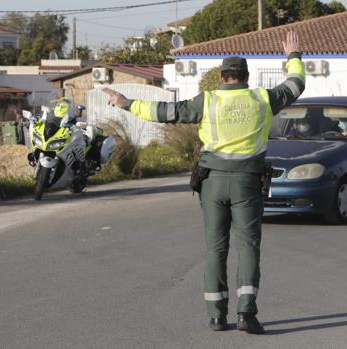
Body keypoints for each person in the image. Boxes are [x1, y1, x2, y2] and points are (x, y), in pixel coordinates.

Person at [103, 31, 305, 334]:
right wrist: (293, 56)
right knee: (248, 246)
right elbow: (296, 85)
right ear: (245, 78)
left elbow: (166, 113)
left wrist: (126, 103)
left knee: (215, 249)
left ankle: (215, 316)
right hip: (248, 183)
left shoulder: (207, 100)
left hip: (212, 183)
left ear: (222, 77)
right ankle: (246, 315)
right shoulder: (263, 99)